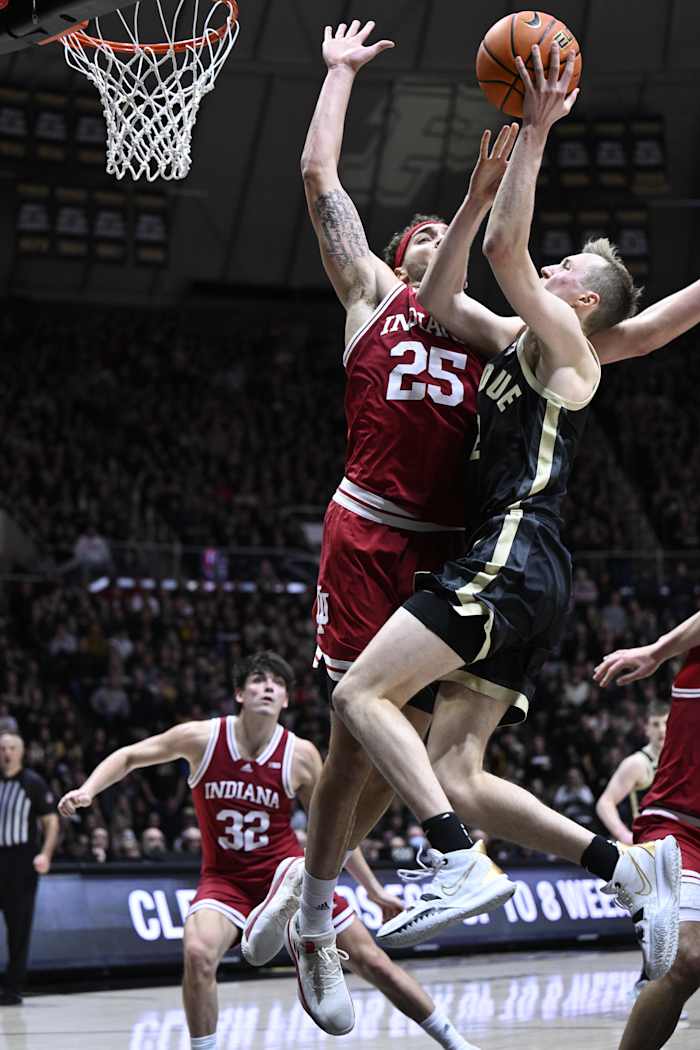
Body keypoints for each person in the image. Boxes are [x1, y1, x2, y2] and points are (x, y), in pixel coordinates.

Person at [273, 40, 681, 1035]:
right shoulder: (424, 310)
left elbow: (612, 317)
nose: (540, 266)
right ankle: (612, 867)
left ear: (573, 297)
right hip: (409, 543)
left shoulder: (542, 334)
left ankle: (392, 876)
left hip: (486, 553)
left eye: (559, 271)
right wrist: (466, 199)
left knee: (358, 710)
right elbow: (454, 276)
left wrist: (534, 137)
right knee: (398, 751)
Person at [58, 651, 479, 1050]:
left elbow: (334, 831)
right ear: (240, 694)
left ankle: (454, 1042)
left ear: (285, 699)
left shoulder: (299, 755)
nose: (267, 688)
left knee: (372, 960)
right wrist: (88, 789)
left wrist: (370, 889)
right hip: (225, 880)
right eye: (257, 680)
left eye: (277, 683)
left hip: (288, 877)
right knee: (198, 953)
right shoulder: (202, 737)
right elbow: (132, 755)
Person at [595, 612, 700, 1050]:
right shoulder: (637, 761)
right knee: (686, 959)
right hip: (676, 829)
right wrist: (657, 651)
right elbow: (604, 802)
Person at [0, 731, 59, 1005]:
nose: (6, 753)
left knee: (18, 927)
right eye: (2, 748)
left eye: (11, 747)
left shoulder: (32, 783)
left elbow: (51, 822)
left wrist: (45, 854)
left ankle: (12, 988)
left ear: (21, 752)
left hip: (20, 861)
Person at [596, 699, 669, 846]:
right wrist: (624, 835)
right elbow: (604, 804)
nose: (661, 729)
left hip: (674, 845)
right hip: (645, 846)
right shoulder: (637, 763)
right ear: (646, 729)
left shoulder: (682, 759)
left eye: (666, 723)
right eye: (655, 724)